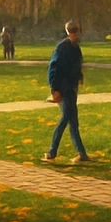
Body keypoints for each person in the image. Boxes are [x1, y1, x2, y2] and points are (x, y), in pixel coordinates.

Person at [42, 19, 89, 162]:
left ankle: (82, 154)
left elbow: (77, 65)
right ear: (69, 32)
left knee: (73, 121)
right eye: (73, 32)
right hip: (63, 89)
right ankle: (52, 152)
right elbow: (53, 68)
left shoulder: (76, 48)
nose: (75, 35)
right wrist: (54, 89)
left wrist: (79, 77)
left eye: (77, 32)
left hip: (72, 89)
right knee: (66, 118)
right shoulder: (62, 48)